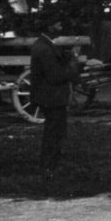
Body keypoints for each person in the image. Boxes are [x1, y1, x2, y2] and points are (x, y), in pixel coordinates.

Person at [30, 20, 82, 177]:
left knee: (56, 131)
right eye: (58, 25)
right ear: (49, 26)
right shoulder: (45, 48)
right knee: (54, 132)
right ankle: (49, 166)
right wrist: (74, 67)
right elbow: (55, 76)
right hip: (51, 97)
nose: (61, 28)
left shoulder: (44, 44)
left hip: (51, 96)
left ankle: (52, 164)